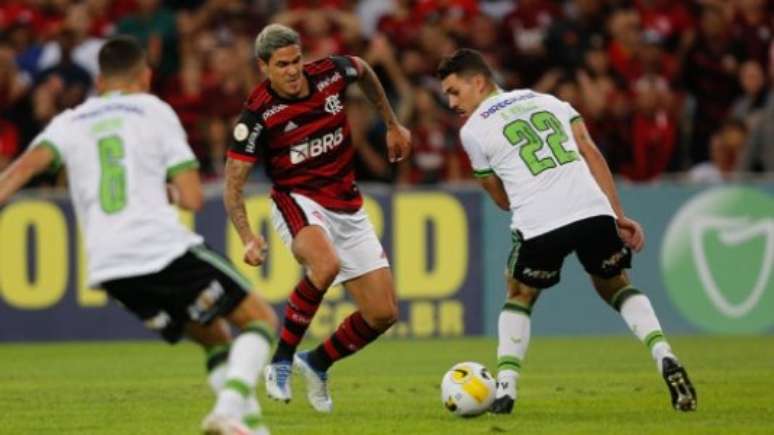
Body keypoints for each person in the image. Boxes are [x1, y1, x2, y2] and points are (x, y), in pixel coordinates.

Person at [0, 36, 277, 435]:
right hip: (161, 250)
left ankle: (249, 428)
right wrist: (165, 191)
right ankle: (229, 409)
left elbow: (19, 172)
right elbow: (194, 198)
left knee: (215, 338)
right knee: (261, 320)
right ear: (145, 75)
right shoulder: (154, 111)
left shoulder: (69, 121)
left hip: (111, 270)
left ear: (100, 81)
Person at [436, 48, 697, 414]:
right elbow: (590, 151)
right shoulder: (550, 101)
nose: (450, 102)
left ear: (478, 82)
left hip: (540, 223)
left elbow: (500, 198)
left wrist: (527, 192)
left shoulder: (474, 131)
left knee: (519, 292)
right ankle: (664, 355)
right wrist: (617, 215)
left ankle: (507, 389)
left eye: (454, 91)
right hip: (593, 211)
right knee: (615, 283)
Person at [223, 24, 411, 413]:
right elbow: (233, 185)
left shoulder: (330, 73)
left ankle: (317, 361)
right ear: (264, 67)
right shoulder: (257, 114)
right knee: (325, 265)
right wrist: (246, 238)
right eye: (282, 65)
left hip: (346, 202)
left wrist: (392, 123)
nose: (293, 71)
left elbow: (364, 69)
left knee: (383, 314)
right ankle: (280, 360)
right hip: (297, 200)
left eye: (296, 61)